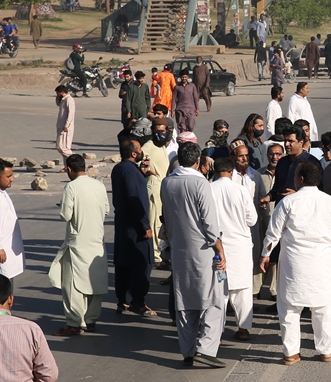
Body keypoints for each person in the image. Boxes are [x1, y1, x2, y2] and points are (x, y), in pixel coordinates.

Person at [261, 159, 331, 364]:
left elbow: (273, 233)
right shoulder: (330, 202)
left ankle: (291, 352)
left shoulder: (288, 202)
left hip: (294, 262)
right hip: (321, 261)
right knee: (324, 306)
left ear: (300, 179)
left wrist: (265, 254)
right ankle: (326, 350)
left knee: (289, 307)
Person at [162, 142, 228, 368]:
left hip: (179, 250)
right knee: (214, 300)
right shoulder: (200, 183)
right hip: (203, 250)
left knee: (185, 302)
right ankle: (206, 349)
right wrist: (219, 248)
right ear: (198, 161)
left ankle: (187, 350)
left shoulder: (167, 182)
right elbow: (209, 222)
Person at [49, 154, 109, 336]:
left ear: (69, 169)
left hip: (77, 242)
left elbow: (66, 215)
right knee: (95, 281)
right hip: (97, 240)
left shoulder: (72, 187)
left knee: (72, 284)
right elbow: (106, 210)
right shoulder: (99, 185)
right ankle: (90, 320)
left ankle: (74, 323)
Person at [210, 157, 258, 340]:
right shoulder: (241, 190)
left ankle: (216, 331)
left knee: (219, 290)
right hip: (239, 246)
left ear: (215, 171)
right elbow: (252, 220)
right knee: (242, 290)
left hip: (216, 246)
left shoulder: (209, 189)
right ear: (232, 172)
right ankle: (243, 328)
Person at [111, 140, 155, 317]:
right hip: (135, 226)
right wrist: (145, 224)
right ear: (134, 154)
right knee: (141, 262)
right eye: (139, 149)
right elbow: (135, 198)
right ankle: (138, 301)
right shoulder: (130, 172)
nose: (142, 151)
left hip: (123, 224)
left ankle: (122, 300)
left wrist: (141, 172)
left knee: (123, 262)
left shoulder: (120, 169)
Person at [0, 160, 24, 281]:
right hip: (2, 249)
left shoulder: (2, 192)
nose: (12, 179)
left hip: (9, 248)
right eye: (8, 176)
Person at [52, 84, 75, 159]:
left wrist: (66, 125)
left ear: (62, 92)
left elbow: (71, 114)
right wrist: (58, 97)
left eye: (58, 93)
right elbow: (58, 104)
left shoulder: (69, 100)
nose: (57, 95)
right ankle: (67, 164)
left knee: (63, 147)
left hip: (66, 127)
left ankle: (75, 159)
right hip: (60, 126)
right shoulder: (63, 100)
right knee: (60, 147)